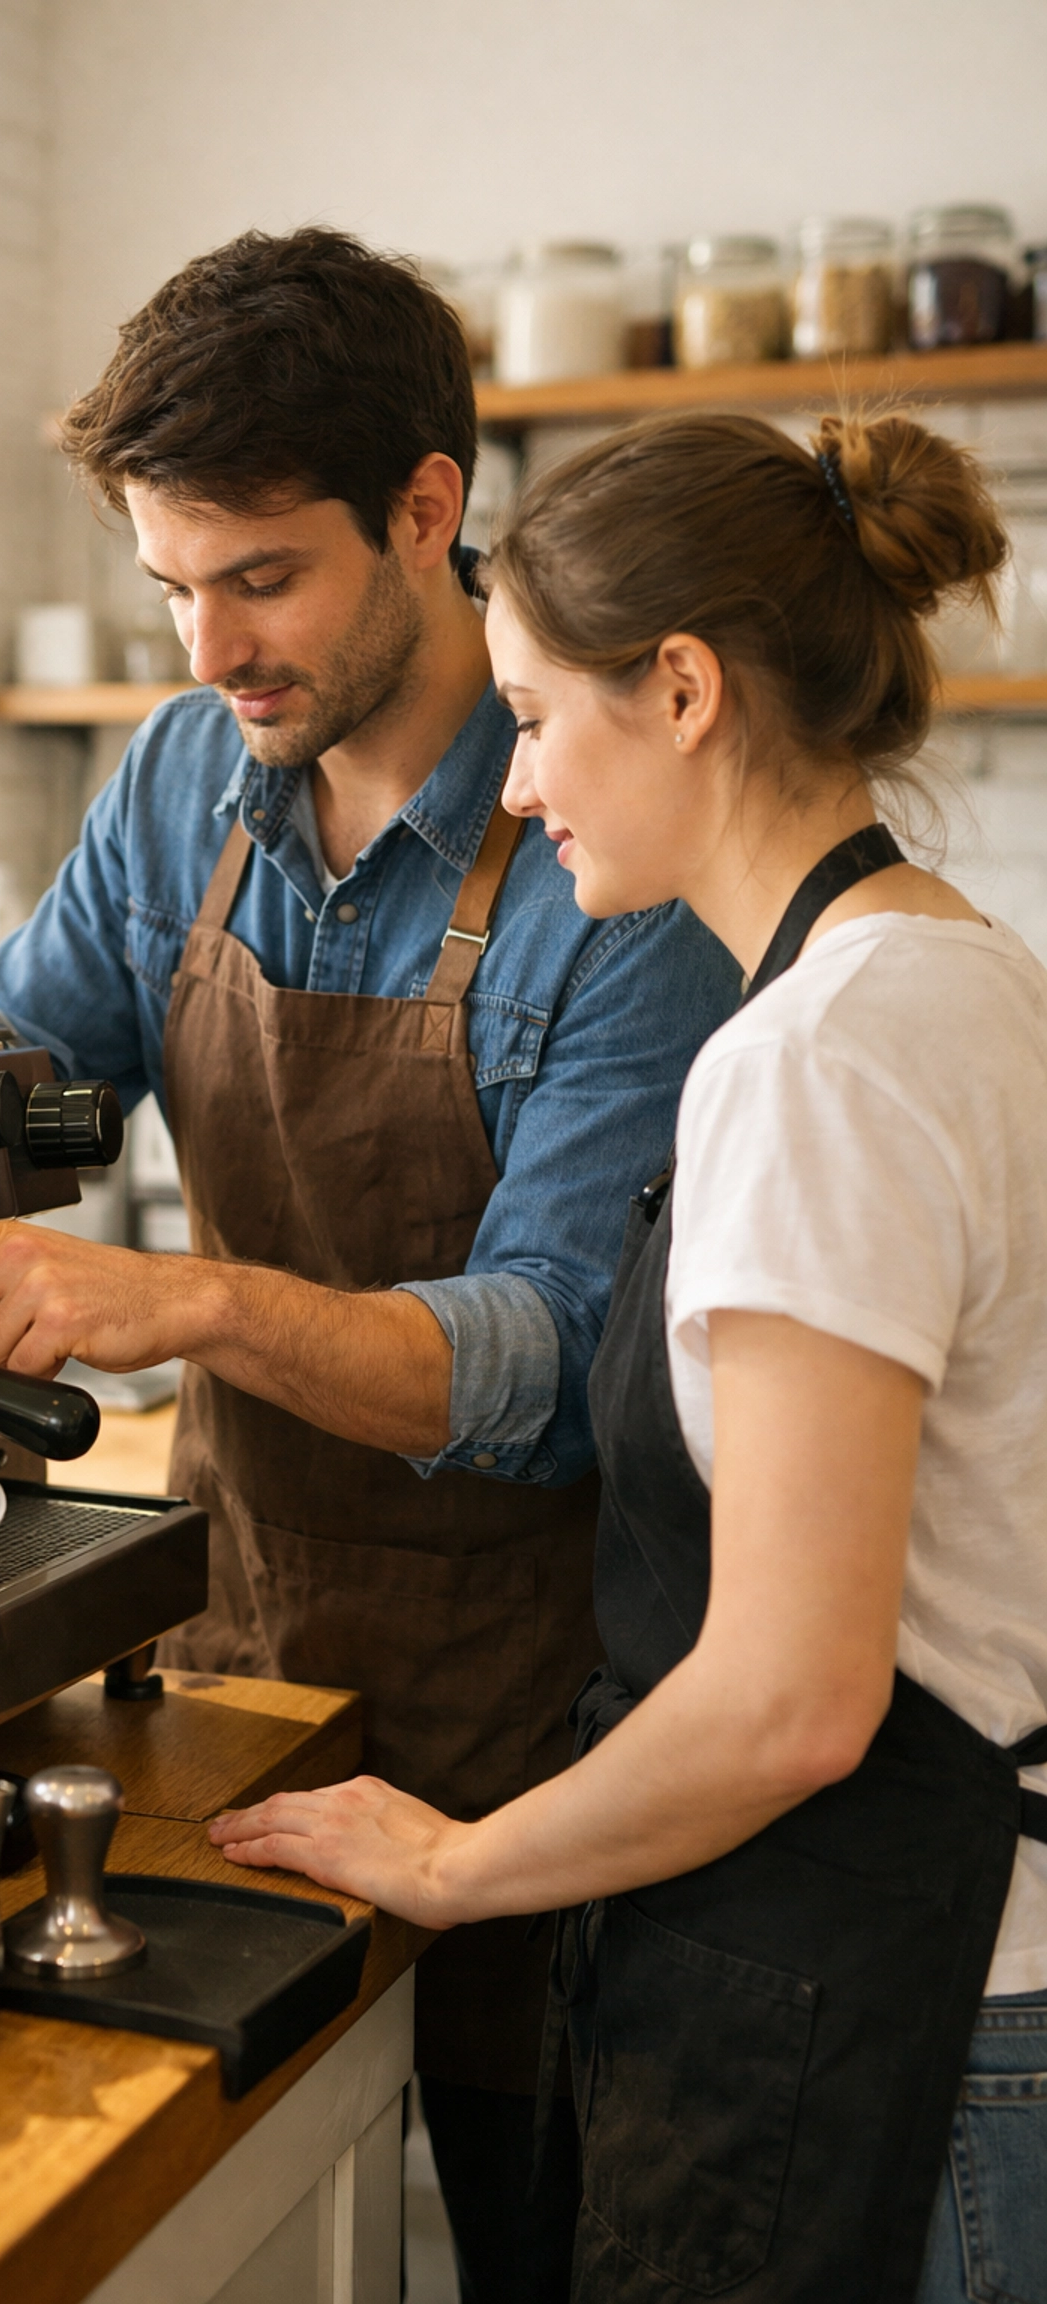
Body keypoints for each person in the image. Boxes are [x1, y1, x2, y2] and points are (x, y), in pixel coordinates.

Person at [0, 229, 739, 2299]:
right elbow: (19, 1067)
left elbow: (537, 1366)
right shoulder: (191, 773)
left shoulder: (612, 861)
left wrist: (188, 1301)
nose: (206, 650)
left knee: (543, 2242)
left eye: (258, 578)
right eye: (170, 586)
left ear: (429, 511)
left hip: (550, 1717)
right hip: (243, 1663)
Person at [208, 404, 1047, 2301]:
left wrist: (449, 1868)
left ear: (681, 688)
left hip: (913, 2017)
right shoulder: (961, 975)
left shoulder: (819, 1058)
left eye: (528, 713)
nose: (512, 785)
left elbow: (790, 1701)